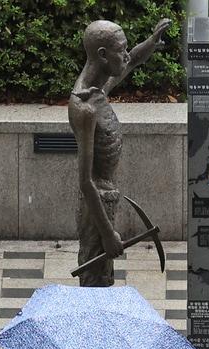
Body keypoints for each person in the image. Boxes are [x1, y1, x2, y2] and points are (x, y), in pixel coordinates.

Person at [69, 17, 171, 287]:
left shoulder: (98, 87)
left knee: (105, 278)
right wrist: (107, 233)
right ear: (103, 55)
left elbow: (132, 61)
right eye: (121, 49)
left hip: (106, 200)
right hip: (96, 208)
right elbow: (85, 181)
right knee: (96, 281)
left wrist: (150, 42)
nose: (126, 54)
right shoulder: (85, 108)